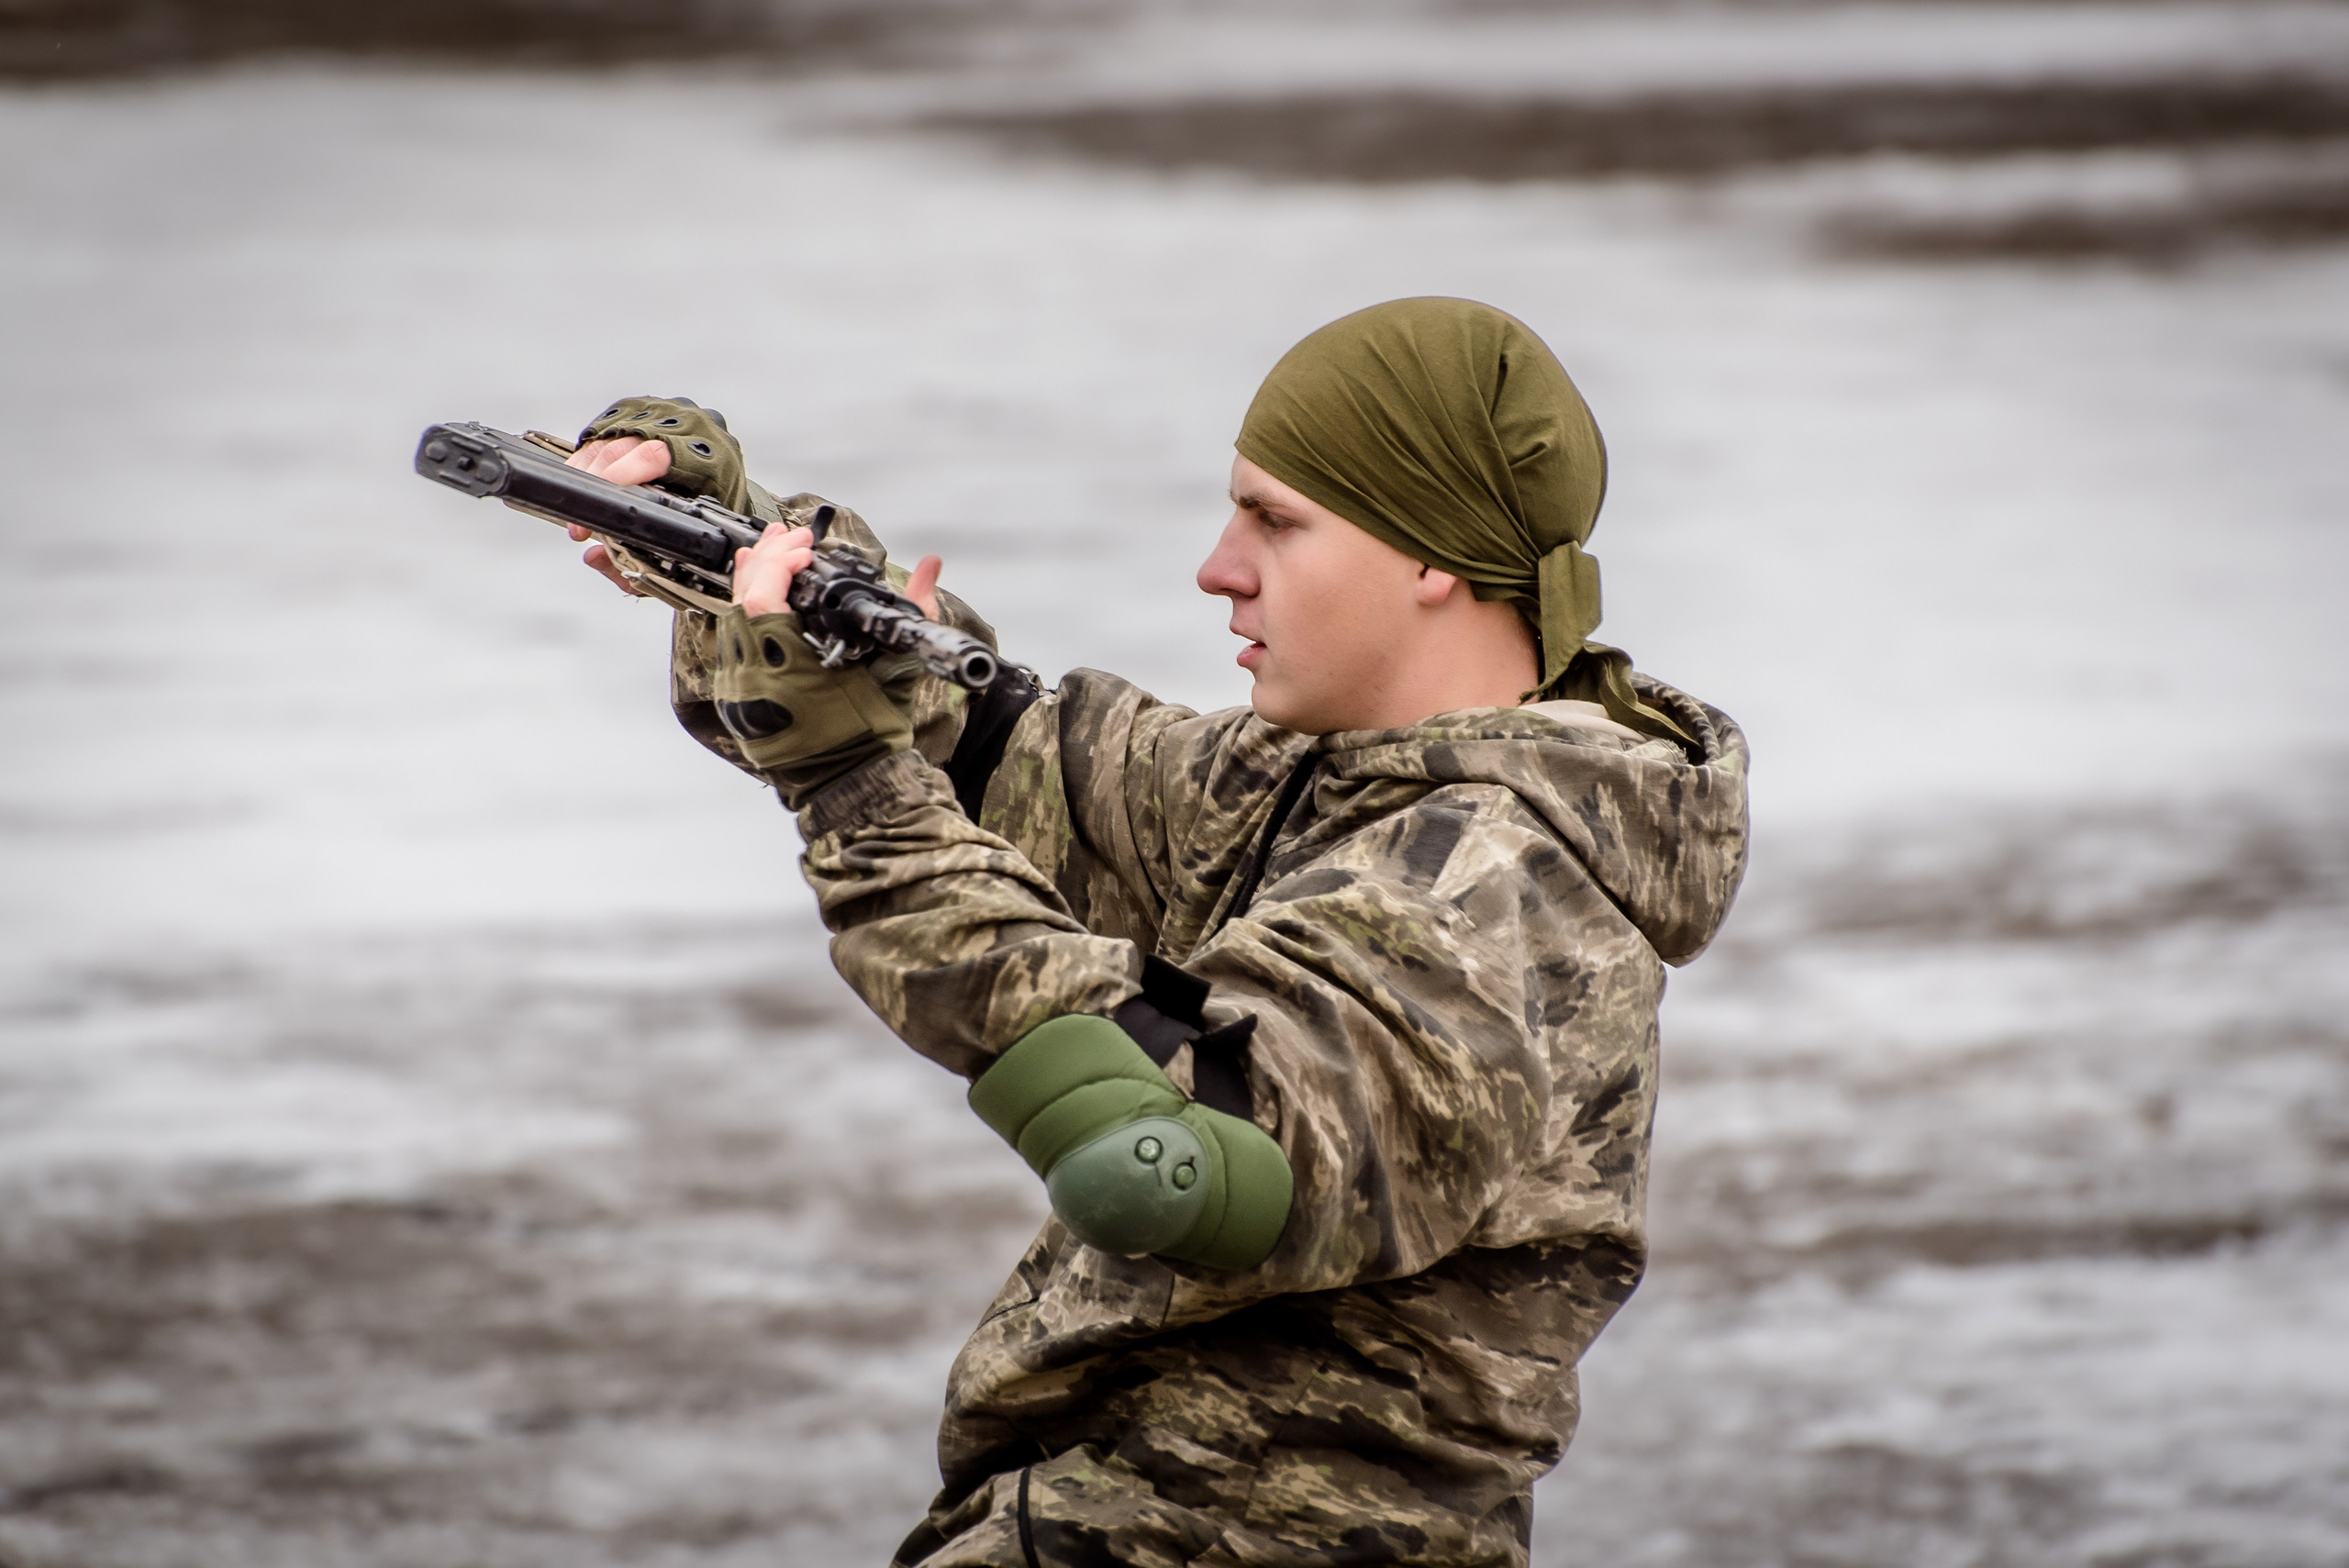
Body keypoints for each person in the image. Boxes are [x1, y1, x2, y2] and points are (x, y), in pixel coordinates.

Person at [562, 298, 1748, 1567]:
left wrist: (849, 782)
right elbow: (995, 744)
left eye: (1276, 522)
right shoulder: (1318, 779)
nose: (1219, 566)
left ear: (1429, 556)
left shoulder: (1494, 885)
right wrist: (738, 544)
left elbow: (1173, 1151)